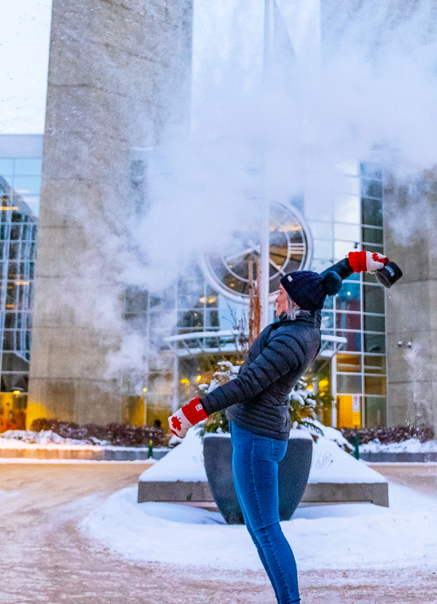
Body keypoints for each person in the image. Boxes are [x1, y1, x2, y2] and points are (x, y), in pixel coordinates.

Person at [169, 251, 396, 604]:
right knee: (261, 531)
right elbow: (322, 282)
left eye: (280, 294)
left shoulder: (291, 341)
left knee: (266, 531)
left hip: (257, 440)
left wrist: (193, 412)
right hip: (257, 434)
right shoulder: (302, 320)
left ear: (293, 303)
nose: (276, 297)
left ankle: (290, 601)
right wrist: (363, 262)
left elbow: (247, 385)